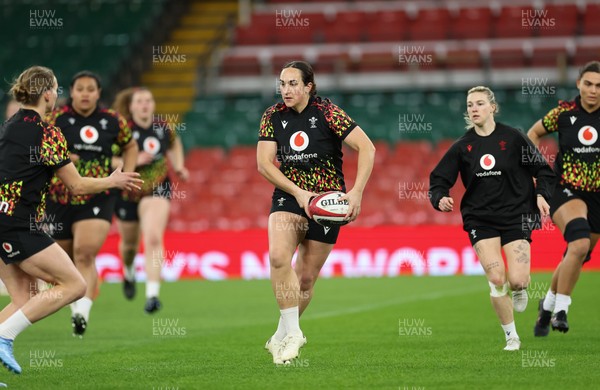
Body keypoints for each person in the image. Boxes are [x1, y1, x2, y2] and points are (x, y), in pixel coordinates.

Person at [0, 65, 142, 374]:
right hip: (19, 224)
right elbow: (76, 185)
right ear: (48, 93)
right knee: (75, 284)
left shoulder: (11, 124)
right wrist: (111, 181)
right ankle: (4, 338)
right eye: (57, 89)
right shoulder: (47, 130)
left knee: (24, 299)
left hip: (3, 219)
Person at [257, 60, 375, 364]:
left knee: (306, 279)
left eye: (293, 83)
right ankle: (295, 333)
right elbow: (264, 163)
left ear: (309, 86)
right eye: (282, 84)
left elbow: (368, 148)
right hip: (288, 197)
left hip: (327, 205)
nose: (286, 89)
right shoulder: (272, 116)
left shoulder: (328, 112)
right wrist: (298, 193)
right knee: (278, 257)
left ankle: (281, 334)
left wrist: (356, 192)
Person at [429, 86, 556, 351]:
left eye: (479, 103)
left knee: (518, 280)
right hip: (480, 219)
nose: (473, 108)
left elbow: (543, 170)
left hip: (517, 215)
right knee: (497, 278)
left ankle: (519, 288)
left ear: (492, 107)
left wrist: (542, 195)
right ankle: (511, 336)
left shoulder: (514, 138)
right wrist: (439, 197)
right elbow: (439, 180)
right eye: (469, 104)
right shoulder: (462, 146)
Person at [44, 71, 138, 337]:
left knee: (85, 252)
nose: (85, 93)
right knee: (65, 261)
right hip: (59, 197)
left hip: (99, 195)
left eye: (91, 89)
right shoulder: (55, 120)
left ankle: (81, 312)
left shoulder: (112, 121)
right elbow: (39, 148)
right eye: (80, 89)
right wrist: (60, 156)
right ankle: (75, 302)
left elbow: (130, 146)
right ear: (71, 92)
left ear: (98, 93)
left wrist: (125, 176)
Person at [528, 61, 600, 336]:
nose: (593, 90)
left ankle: (545, 308)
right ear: (579, 84)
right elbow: (533, 133)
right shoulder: (563, 114)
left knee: (577, 254)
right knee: (579, 241)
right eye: (588, 84)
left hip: (597, 197)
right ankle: (561, 309)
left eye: (599, 86)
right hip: (565, 189)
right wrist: (535, 172)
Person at [112, 87, 188, 313]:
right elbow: (107, 158)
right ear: (132, 106)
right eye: (140, 101)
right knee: (129, 246)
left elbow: (174, 143)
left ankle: (152, 295)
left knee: (154, 237)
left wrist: (179, 165)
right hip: (127, 189)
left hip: (158, 187)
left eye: (148, 101)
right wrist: (132, 160)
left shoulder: (162, 127)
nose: (145, 105)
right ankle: (128, 271)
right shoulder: (122, 130)